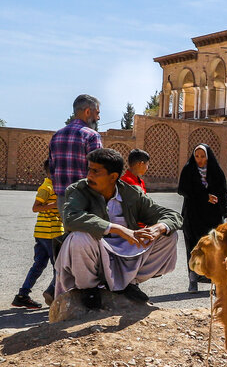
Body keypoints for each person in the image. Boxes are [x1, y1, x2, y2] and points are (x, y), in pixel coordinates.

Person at [55, 148, 182, 310]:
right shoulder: (79, 190)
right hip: (94, 252)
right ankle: (88, 289)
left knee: (168, 235)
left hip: (124, 254)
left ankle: (129, 283)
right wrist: (118, 229)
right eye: (89, 169)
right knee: (80, 237)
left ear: (113, 177)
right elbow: (71, 218)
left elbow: (172, 215)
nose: (89, 175)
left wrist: (158, 228)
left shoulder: (131, 193)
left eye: (95, 171)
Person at [178, 144, 227, 293]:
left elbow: (223, 194)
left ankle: (215, 281)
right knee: (194, 248)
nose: (200, 160)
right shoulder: (189, 169)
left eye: (203, 156)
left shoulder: (216, 171)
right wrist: (204, 196)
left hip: (212, 218)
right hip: (192, 216)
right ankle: (193, 280)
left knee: (213, 249)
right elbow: (182, 189)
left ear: (208, 157)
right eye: (197, 156)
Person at [12, 159, 63, 309]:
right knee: (59, 266)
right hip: (51, 232)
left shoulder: (53, 186)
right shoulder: (47, 187)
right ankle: (54, 294)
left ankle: (22, 295)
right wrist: (54, 205)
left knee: (39, 264)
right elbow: (35, 208)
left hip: (43, 232)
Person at [48, 94, 102, 212]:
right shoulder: (92, 136)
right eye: (97, 113)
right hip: (86, 200)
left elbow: (51, 170)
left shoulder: (56, 136)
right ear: (88, 111)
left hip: (62, 200)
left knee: (69, 231)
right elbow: (99, 170)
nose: (98, 118)